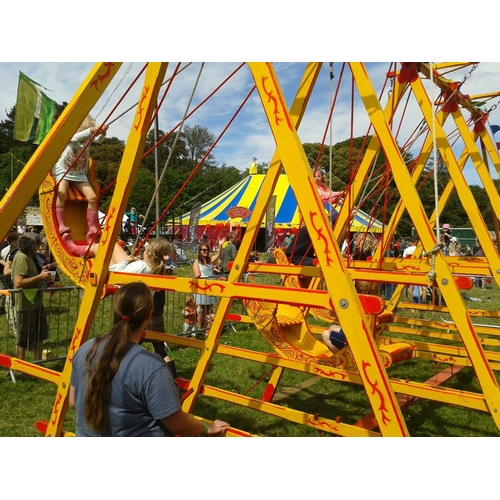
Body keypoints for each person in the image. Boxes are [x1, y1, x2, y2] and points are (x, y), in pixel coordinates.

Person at [69, 282, 230, 436]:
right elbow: (177, 423)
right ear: (149, 315)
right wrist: (206, 427)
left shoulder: (86, 350)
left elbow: (73, 402)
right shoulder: (151, 367)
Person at [52, 115, 109, 255]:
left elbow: (98, 141)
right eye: (81, 130)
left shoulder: (87, 138)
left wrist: (102, 133)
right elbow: (75, 138)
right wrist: (91, 130)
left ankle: (91, 229)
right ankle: (61, 225)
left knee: (92, 197)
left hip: (79, 174)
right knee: (62, 193)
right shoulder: (72, 138)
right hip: (64, 170)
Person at [11, 234, 52, 361]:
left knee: (40, 334)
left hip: (36, 303)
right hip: (25, 304)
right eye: (37, 244)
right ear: (30, 245)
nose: (38, 247)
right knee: (23, 338)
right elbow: (18, 283)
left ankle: (38, 363)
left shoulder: (30, 257)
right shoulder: (21, 258)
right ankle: (21, 368)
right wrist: (39, 277)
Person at [192, 241, 222, 331]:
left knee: (209, 308)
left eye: (207, 250)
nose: (206, 251)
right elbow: (198, 275)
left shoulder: (210, 260)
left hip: (211, 287)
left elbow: (218, 256)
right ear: (199, 251)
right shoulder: (197, 263)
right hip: (202, 287)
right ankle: (199, 328)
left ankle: (205, 327)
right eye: (203, 250)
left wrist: (220, 246)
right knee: (202, 309)